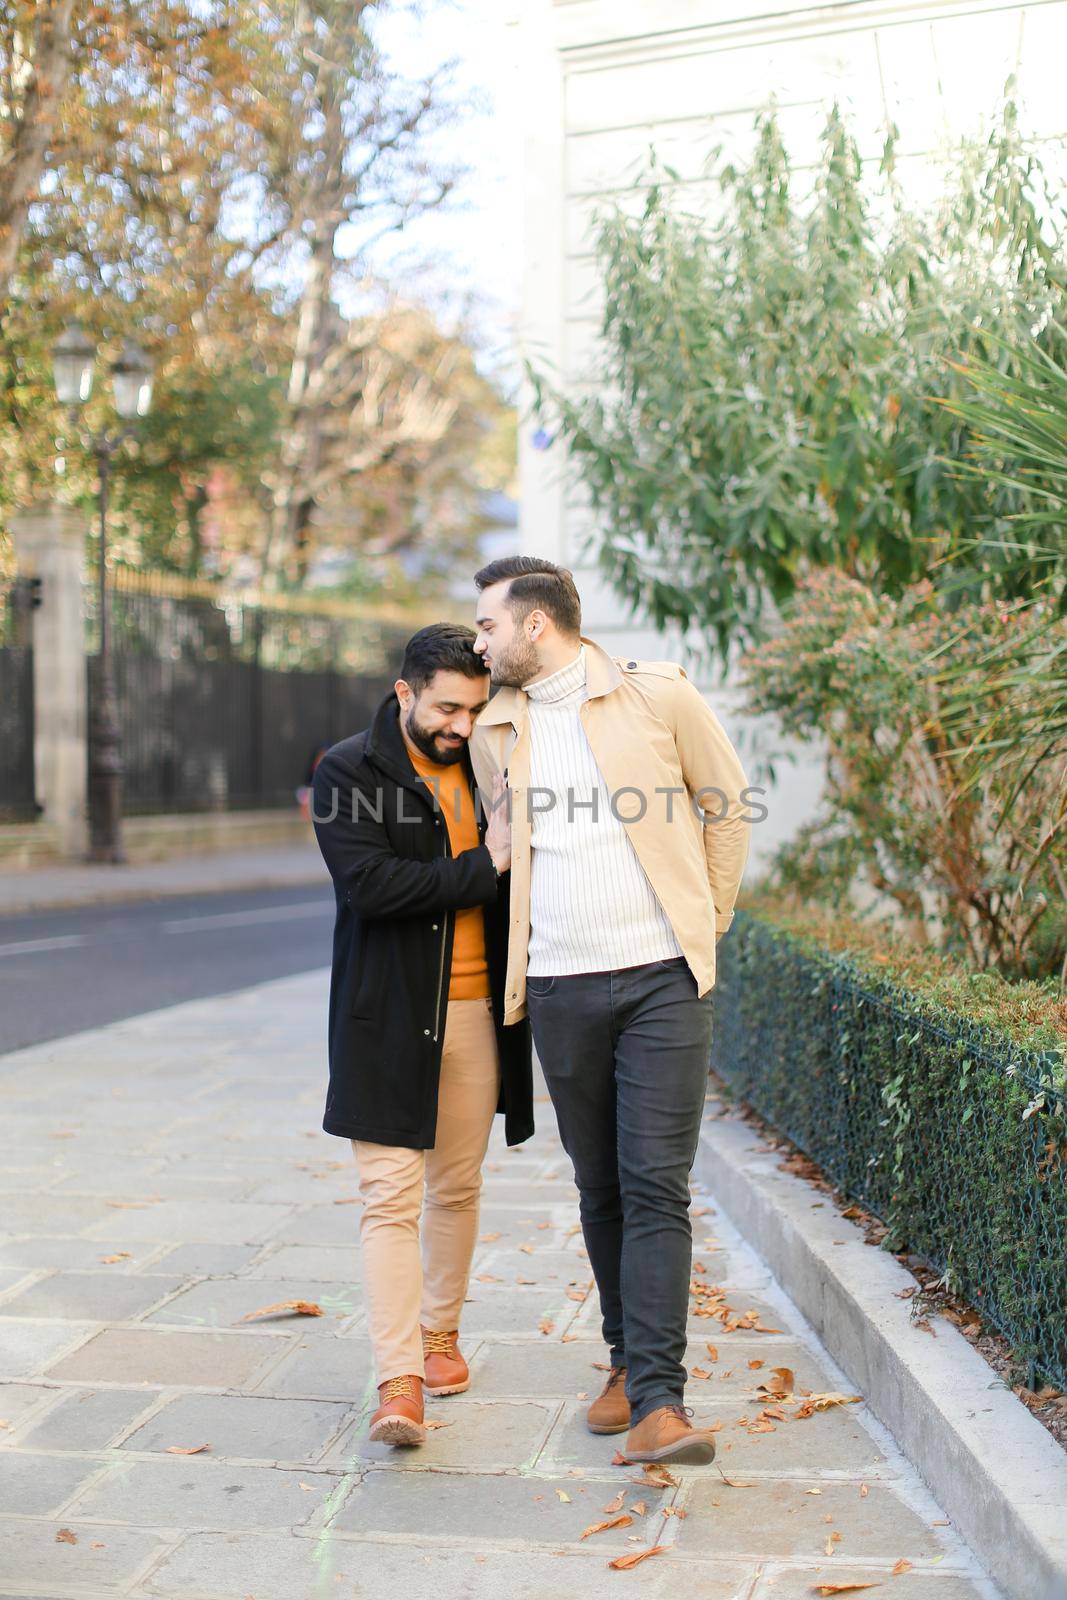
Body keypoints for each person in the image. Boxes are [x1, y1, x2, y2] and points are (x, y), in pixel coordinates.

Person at [469, 557, 751, 1466]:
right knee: (601, 1186)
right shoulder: (492, 730)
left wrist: (701, 928)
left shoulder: (655, 696)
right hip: (556, 987)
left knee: (656, 1184)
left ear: (536, 626)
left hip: (661, 982)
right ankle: (627, 1365)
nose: (479, 642)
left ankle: (661, 1405)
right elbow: (506, 850)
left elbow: (727, 807)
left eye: (487, 627)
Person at [311, 622, 532, 1447]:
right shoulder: (347, 770)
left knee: (458, 1186)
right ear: (404, 693)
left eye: (474, 709)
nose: (461, 726)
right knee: (388, 1199)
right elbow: (370, 886)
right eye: (446, 708)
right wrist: (490, 864)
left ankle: (440, 1334)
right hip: (387, 1018)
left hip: (478, 1018)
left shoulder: (491, 765)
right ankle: (397, 1378)